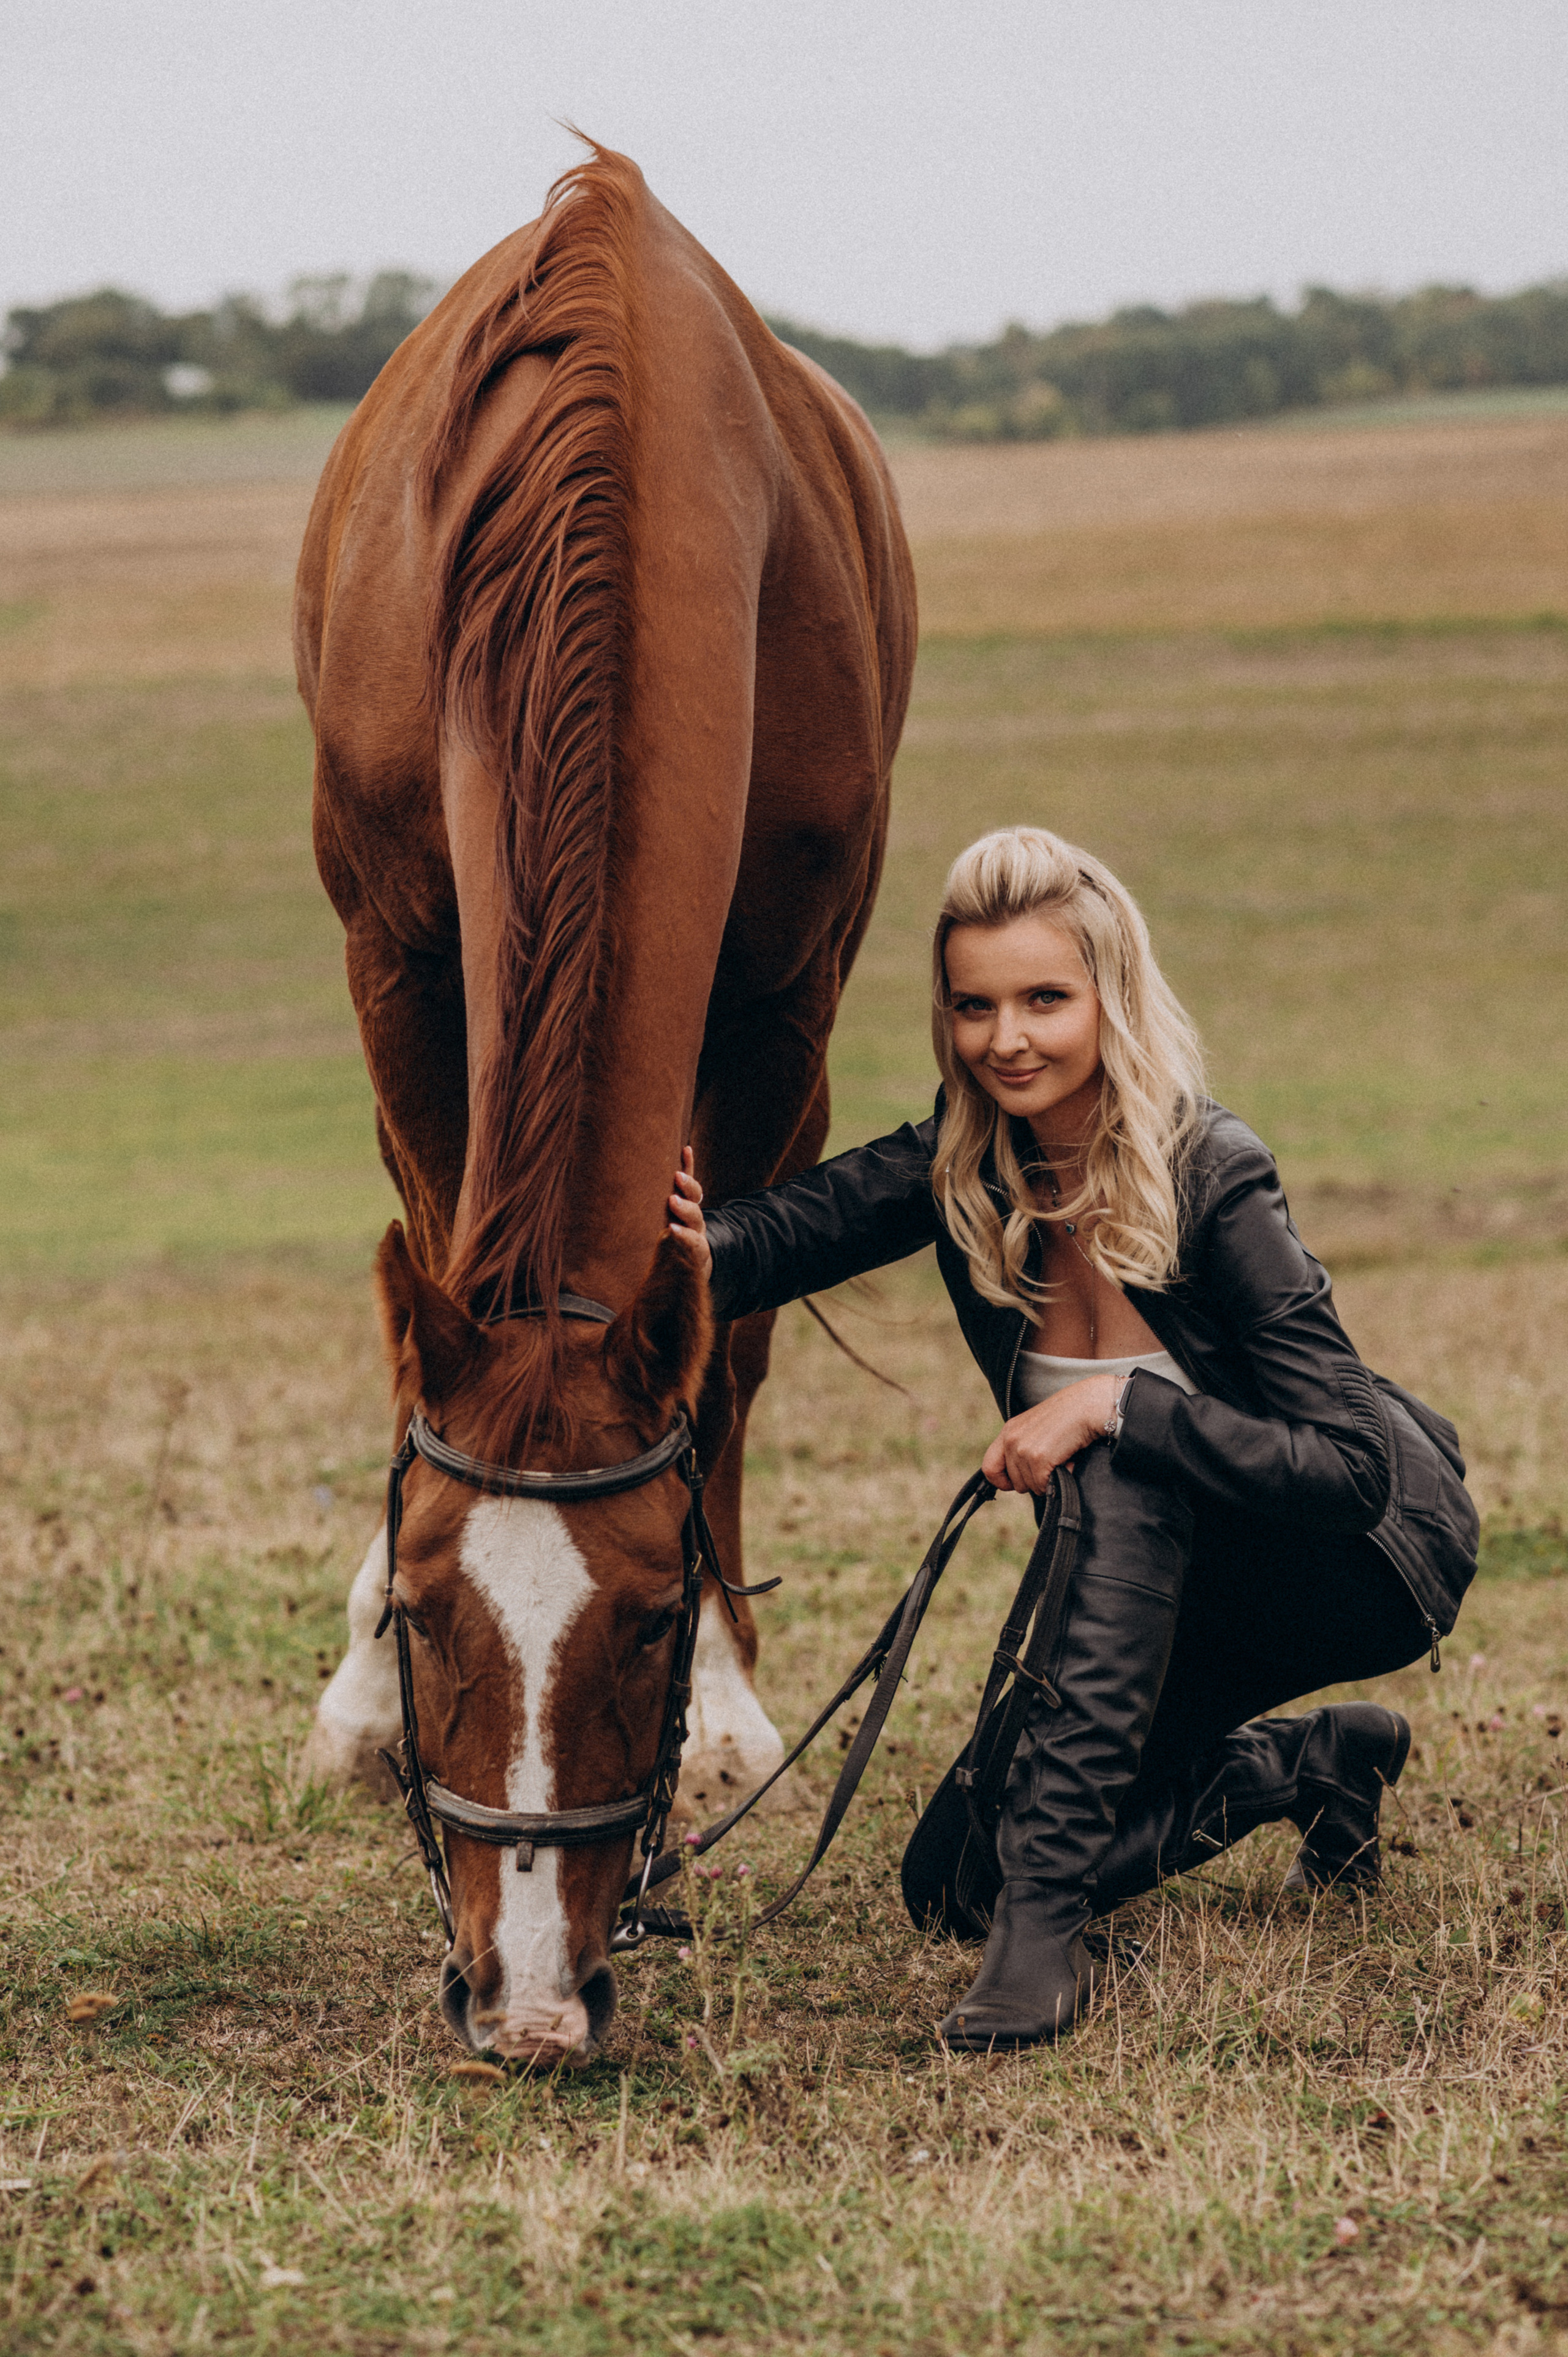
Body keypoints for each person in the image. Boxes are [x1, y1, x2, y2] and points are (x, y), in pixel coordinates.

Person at [666, 827, 1478, 2052]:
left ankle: (1043, 1939)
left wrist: (1112, 1402)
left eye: (1044, 997)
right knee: (948, 1884)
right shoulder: (966, 1161)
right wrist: (686, 1247)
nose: (1007, 1038)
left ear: (1111, 995)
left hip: (1347, 1561)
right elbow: (784, 1237)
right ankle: (1307, 1765)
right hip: (1140, 1600)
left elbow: (1346, 1465)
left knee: (1118, 1458)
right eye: (973, 1005)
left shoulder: (1215, 1173)